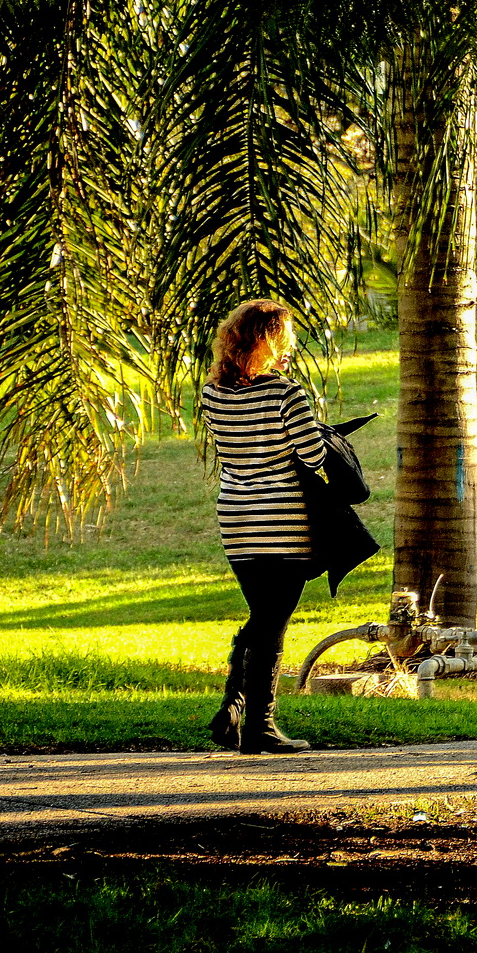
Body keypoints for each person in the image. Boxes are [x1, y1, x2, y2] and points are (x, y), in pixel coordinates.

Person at [200, 299, 325, 754]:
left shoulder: (212, 394)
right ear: (272, 340)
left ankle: (235, 708)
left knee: (262, 615)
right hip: (284, 521)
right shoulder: (286, 393)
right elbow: (313, 457)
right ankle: (261, 728)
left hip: (236, 518)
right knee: (272, 624)